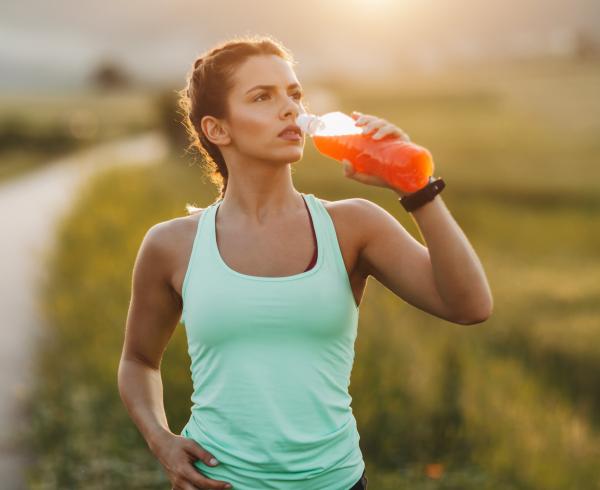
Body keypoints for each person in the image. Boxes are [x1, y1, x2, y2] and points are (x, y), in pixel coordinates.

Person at [118, 34, 493, 490]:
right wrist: (161, 440)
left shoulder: (352, 225)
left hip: (336, 482)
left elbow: (470, 306)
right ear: (218, 129)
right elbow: (139, 360)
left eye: (294, 94)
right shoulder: (171, 245)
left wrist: (414, 187)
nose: (290, 110)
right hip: (218, 482)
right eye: (263, 97)